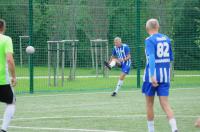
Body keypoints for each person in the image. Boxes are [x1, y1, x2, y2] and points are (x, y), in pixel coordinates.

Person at [142, 18, 178, 132]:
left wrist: (152, 75)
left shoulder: (149, 40)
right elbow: (171, 59)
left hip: (151, 77)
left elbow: (151, 57)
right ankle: (174, 129)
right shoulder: (167, 39)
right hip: (165, 76)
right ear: (158, 27)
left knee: (149, 104)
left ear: (147, 28)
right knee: (165, 103)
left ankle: (151, 130)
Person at [0, 19, 16, 132]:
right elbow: (9, 60)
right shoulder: (6, 39)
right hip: (1, 79)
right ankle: (3, 129)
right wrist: (14, 76)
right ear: (3, 28)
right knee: (11, 102)